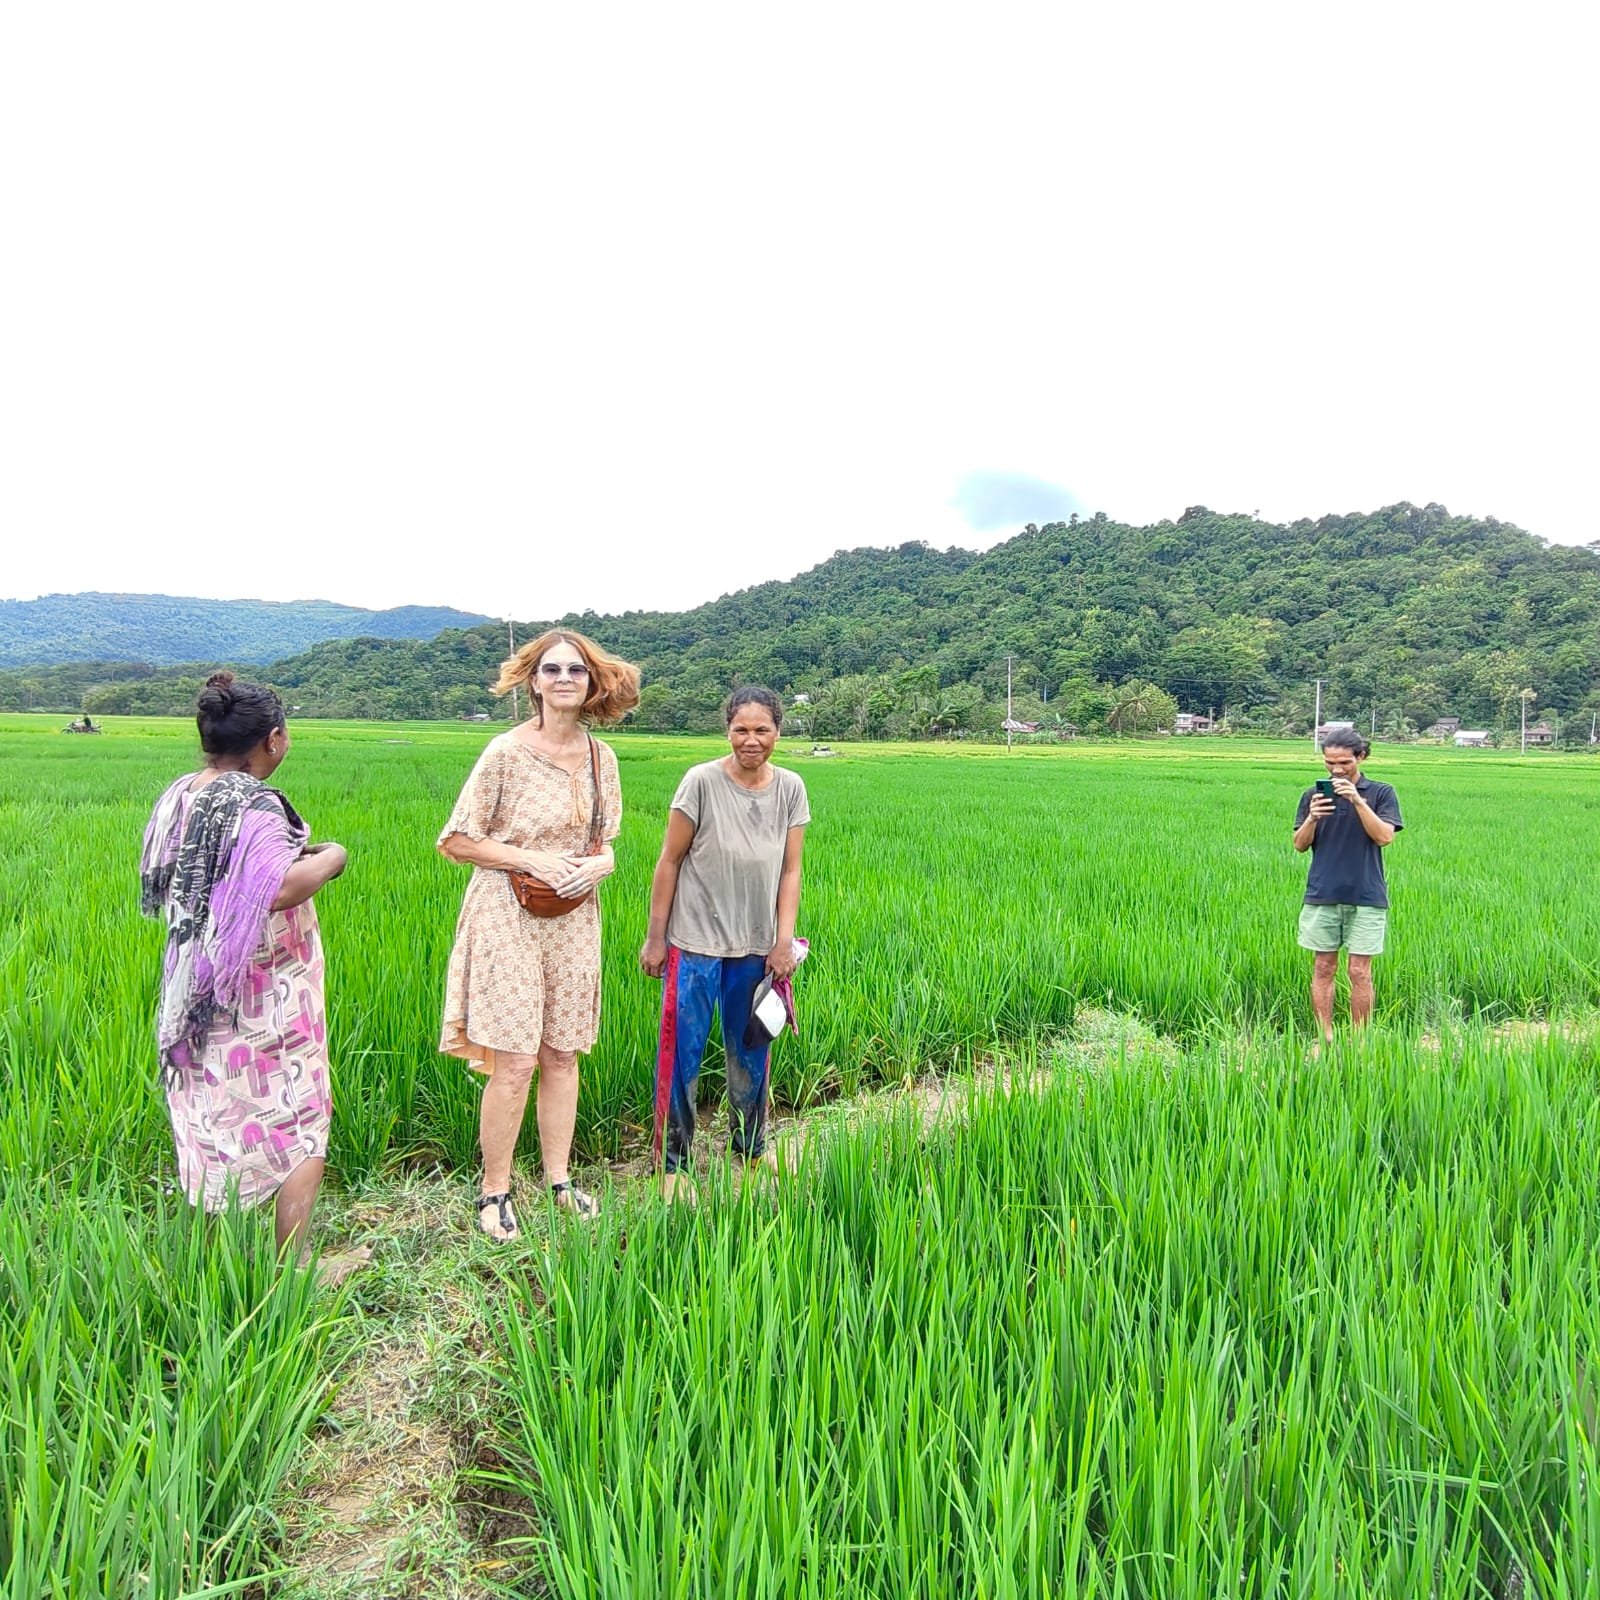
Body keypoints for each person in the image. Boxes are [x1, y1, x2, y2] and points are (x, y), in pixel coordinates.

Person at [139, 671, 349, 1261]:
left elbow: (163, 879)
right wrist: (333, 857)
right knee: (301, 1119)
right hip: (262, 990)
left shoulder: (182, 794)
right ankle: (296, 1269)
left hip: (193, 984)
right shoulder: (250, 802)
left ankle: (210, 1258)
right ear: (273, 740)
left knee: (207, 1110)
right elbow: (279, 888)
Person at [438, 629, 639, 1240]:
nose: (563, 679)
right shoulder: (504, 752)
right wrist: (530, 860)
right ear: (533, 682)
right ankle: (493, 1192)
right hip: (507, 914)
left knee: (562, 1052)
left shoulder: (603, 758)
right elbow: (456, 840)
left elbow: (605, 841)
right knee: (517, 1058)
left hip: (575, 918)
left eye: (575, 670)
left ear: (591, 682)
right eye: (551, 670)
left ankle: (560, 1180)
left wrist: (603, 863)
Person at [640, 687, 809, 1202]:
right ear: (727, 731)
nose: (751, 740)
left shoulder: (791, 789)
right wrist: (655, 938)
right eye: (741, 729)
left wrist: (783, 941)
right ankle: (672, 1164)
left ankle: (752, 1149)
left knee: (752, 1053)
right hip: (694, 944)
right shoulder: (701, 783)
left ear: (778, 731)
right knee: (681, 1055)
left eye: (762, 730)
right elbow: (669, 861)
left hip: (757, 951)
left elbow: (791, 869)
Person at [1292, 731, 1403, 1043]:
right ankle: (1324, 1036)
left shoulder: (1381, 793)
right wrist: (1312, 818)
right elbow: (1299, 845)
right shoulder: (1312, 795)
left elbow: (1384, 837)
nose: (1336, 769)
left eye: (1344, 762)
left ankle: (1359, 1041)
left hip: (1366, 895)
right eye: (1330, 763)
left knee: (1359, 971)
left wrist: (1356, 800)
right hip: (1322, 893)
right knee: (1323, 967)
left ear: (1361, 757)